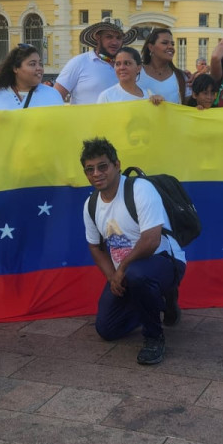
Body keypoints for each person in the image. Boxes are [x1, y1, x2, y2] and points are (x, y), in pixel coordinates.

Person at [80, 138, 186, 365]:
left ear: (117, 165)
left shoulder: (140, 189)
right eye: (90, 169)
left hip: (165, 260)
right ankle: (157, 301)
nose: (96, 173)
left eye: (102, 166)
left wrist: (122, 270)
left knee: (138, 275)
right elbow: (95, 246)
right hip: (129, 272)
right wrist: (112, 277)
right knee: (107, 329)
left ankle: (154, 338)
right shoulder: (90, 204)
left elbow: (151, 240)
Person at [55, 19, 134, 105]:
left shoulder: (128, 67)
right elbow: (54, 97)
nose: (115, 42)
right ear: (98, 38)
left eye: (118, 38)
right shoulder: (79, 62)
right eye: (109, 37)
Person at [0, 44, 65, 110]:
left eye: (40, 64)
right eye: (32, 64)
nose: (39, 68)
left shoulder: (52, 95)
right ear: (15, 68)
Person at [98, 48, 165, 104]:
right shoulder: (107, 96)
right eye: (118, 64)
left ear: (139, 68)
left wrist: (161, 105)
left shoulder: (150, 96)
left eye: (127, 63)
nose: (122, 67)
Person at [138, 27, 187, 103]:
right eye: (165, 43)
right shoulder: (136, 73)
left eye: (172, 44)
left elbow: (188, 106)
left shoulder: (181, 77)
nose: (171, 47)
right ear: (151, 47)